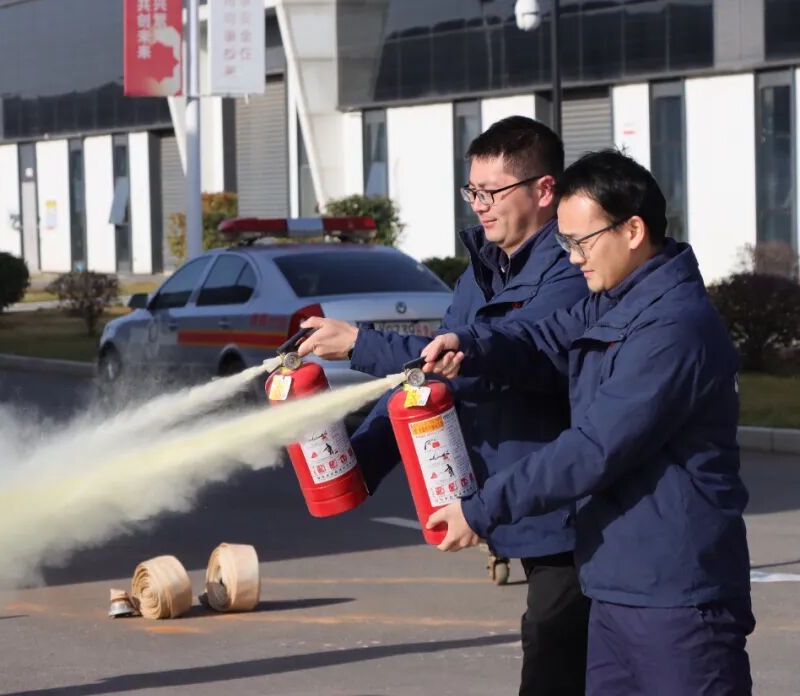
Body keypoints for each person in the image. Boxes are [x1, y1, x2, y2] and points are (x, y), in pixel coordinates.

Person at [423, 149, 754, 695]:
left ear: (633, 230)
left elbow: (594, 448)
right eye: (566, 243)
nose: (574, 258)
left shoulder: (673, 328)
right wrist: (467, 344)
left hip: (676, 597)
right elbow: (539, 337)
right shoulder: (615, 302)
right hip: (613, 585)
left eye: (582, 242)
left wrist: (480, 510)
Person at [297, 116, 591, 696]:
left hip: (570, 506)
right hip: (520, 504)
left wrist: (359, 345)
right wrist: (358, 464)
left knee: (555, 655)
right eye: (472, 191)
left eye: (492, 192)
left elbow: (500, 355)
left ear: (544, 190)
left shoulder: (570, 269)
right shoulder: (483, 272)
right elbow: (425, 383)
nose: (479, 206)